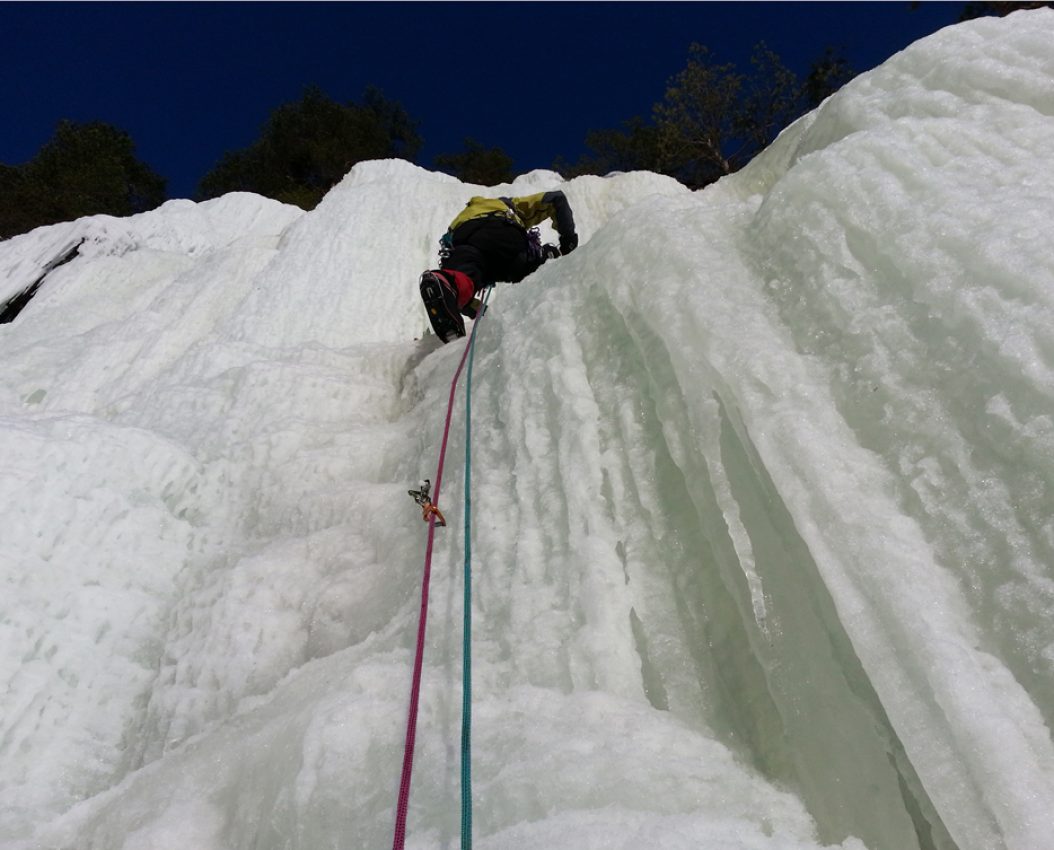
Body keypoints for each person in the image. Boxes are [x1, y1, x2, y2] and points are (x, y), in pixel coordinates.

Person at [419, 190, 578, 342]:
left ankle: (442, 280)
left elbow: (461, 300)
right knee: (531, 266)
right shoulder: (507, 205)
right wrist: (568, 239)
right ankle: (550, 256)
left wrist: (484, 314)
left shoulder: (462, 217)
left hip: (461, 243)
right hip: (500, 232)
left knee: (457, 283)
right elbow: (556, 198)